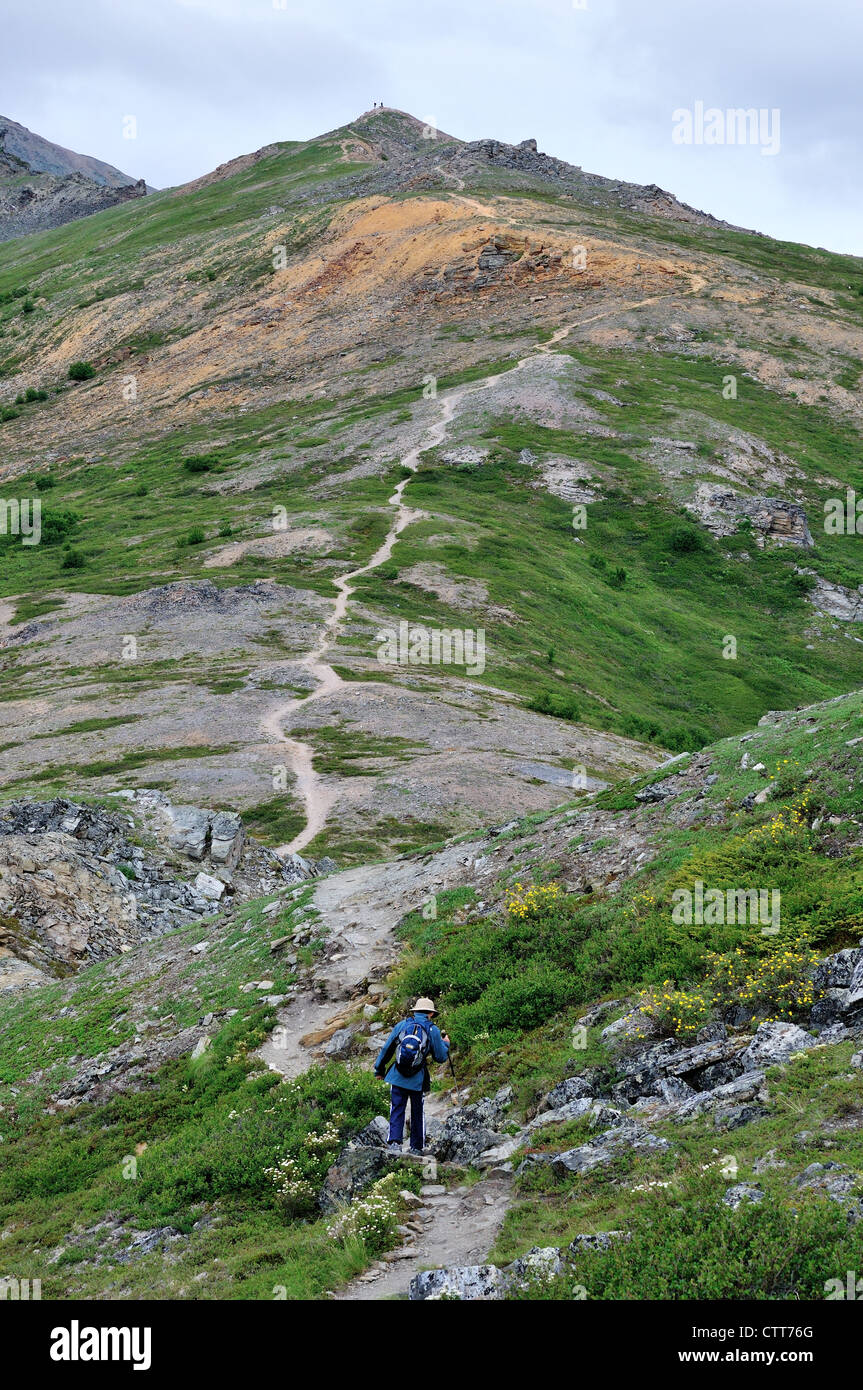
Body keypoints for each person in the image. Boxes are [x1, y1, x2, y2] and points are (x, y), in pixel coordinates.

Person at [374, 997, 450, 1153]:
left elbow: (386, 1049)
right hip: (417, 1079)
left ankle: (394, 1143)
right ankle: (416, 1147)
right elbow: (440, 1057)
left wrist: (379, 1070)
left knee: (397, 1108)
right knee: (417, 1111)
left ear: (415, 1011)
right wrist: (446, 1044)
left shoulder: (402, 1025)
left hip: (398, 1075)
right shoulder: (432, 1030)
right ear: (430, 1013)